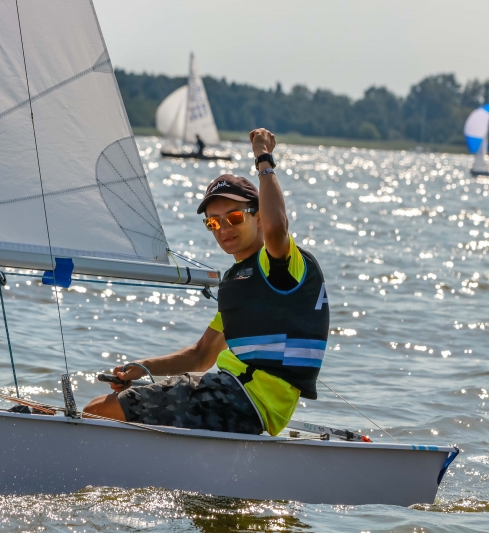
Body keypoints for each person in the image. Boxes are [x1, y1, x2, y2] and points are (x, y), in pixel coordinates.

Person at [84, 128, 329, 436]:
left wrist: (263, 160)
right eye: (213, 222)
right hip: (234, 396)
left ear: (258, 217)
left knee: (98, 412)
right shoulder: (240, 281)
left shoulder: (279, 264)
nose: (224, 228)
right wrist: (144, 367)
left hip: (242, 398)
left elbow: (278, 229)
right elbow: (202, 355)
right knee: (101, 406)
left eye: (235, 217)